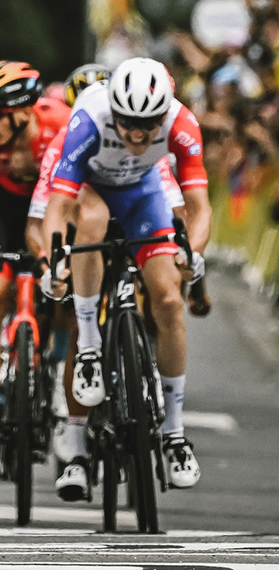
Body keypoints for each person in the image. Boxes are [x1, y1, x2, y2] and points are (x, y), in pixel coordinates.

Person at [41, 57, 210, 490]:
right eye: (127, 123)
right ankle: (90, 348)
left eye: (148, 125)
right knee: (92, 221)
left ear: (164, 115)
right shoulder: (89, 119)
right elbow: (58, 206)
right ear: (113, 110)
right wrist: (54, 259)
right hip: (91, 192)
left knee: (168, 299)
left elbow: (198, 206)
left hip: (141, 194)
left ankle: (174, 433)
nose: (136, 134)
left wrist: (193, 253)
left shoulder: (182, 123)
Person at [0, 60, 69, 476]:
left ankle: (60, 372)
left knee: (68, 291)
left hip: (54, 207)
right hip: (3, 211)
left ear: (22, 111)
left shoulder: (61, 124)